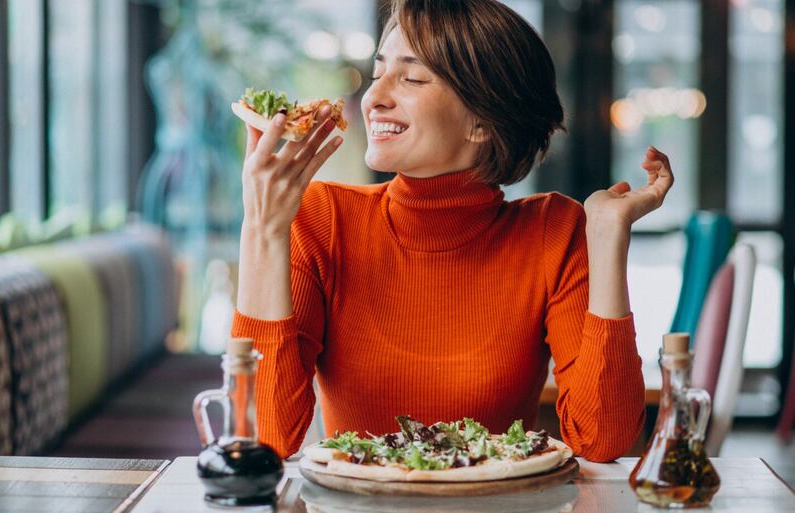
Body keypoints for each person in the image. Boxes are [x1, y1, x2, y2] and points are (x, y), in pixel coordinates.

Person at [232, 0, 674, 463]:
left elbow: (604, 439)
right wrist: (262, 229)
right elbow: (263, 441)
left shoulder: (554, 231)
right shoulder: (321, 219)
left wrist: (605, 239)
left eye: (412, 78)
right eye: (378, 69)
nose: (373, 96)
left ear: (483, 121)